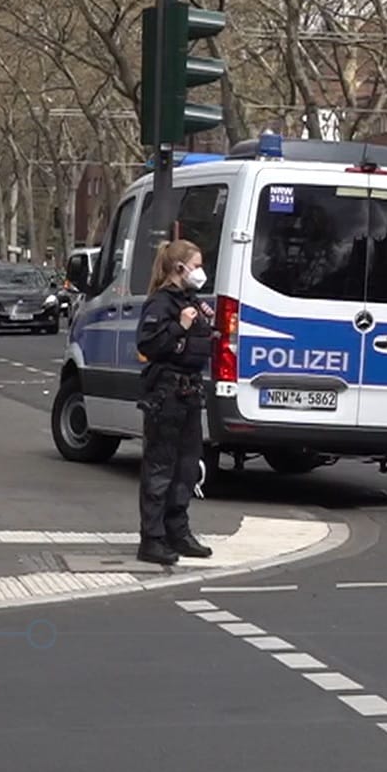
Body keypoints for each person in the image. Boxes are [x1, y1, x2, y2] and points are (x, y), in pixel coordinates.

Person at [134, 240, 217, 566]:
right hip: (166, 393)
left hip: (189, 392)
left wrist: (203, 323)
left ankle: (177, 532)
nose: (200, 271)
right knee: (160, 467)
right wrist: (180, 326)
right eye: (195, 265)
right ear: (179, 268)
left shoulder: (189, 301)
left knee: (186, 467)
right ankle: (152, 540)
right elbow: (149, 344)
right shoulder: (161, 303)